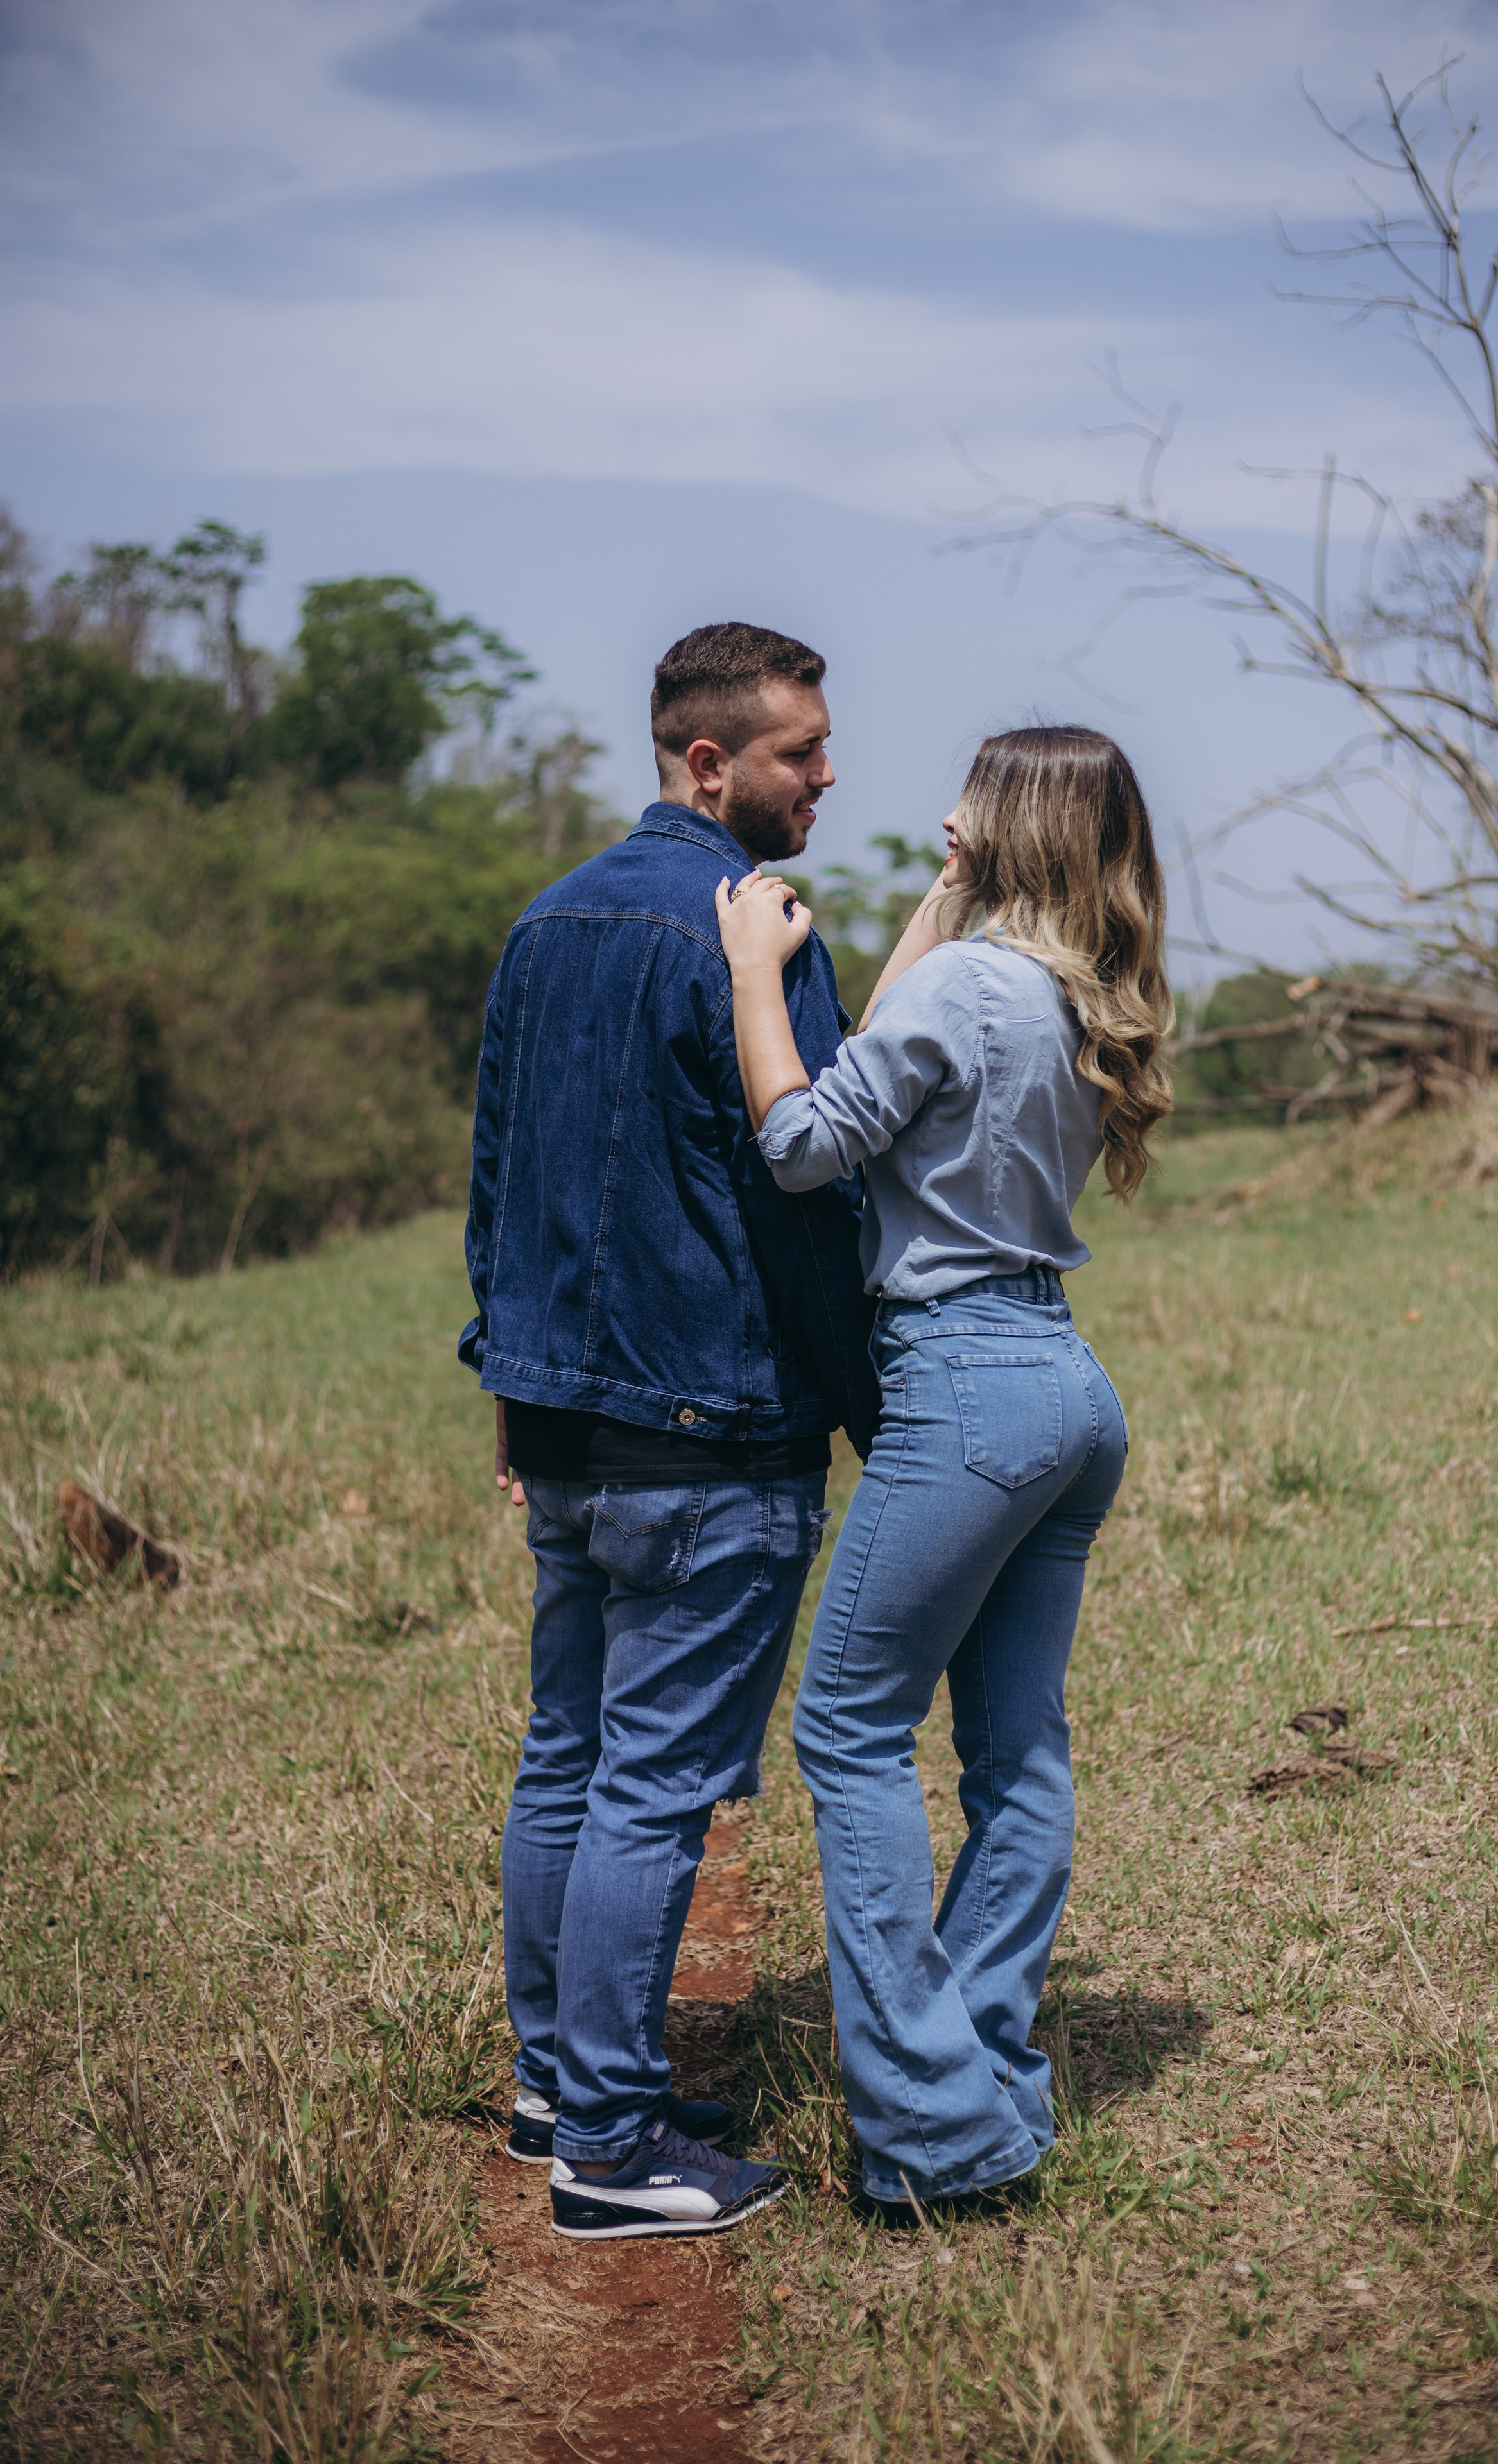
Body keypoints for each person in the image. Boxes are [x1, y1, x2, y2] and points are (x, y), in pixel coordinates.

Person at [714, 723, 1171, 2209]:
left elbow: (803, 1137)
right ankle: (978, 2074)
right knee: (1017, 1760)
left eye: (966, 805)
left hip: (965, 1384)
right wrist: (942, 888)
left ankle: (927, 2133)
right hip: (1062, 1389)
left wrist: (747, 973)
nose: (942, 820)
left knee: (846, 1730)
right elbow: (915, 1014)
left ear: (1005, 824)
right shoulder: (1057, 995)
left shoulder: (971, 989)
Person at [461, 620, 877, 2240]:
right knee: (647, 1784)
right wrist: (868, 1409)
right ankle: (616, 2156)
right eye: (799, 752)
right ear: (708, 764)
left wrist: (512, 1386)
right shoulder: (752, 930)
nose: (825, 776)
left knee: (568, 1755)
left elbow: (498, 1181)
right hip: (709, 1430)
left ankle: (557, 2086)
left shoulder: (542, 921)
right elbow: (807, 1195)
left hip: (563, 1423)